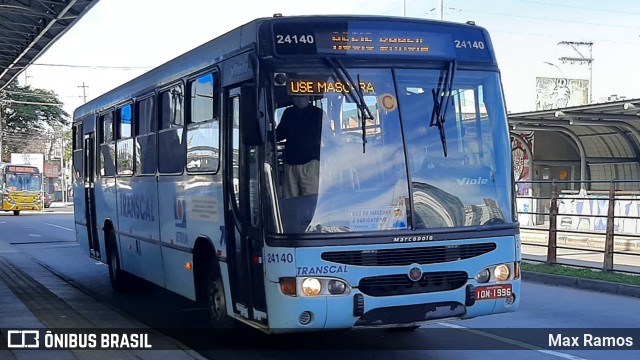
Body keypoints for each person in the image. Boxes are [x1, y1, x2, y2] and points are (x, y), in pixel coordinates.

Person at [276, 95, 325, 198]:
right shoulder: (288, 113)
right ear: (293, 99)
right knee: (289, 197)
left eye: (301, 96)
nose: (299, 99)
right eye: (296, 96)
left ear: (307, 97)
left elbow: (327, 134)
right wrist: (265, 135)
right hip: (290, 163)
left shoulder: (318, 114)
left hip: (310, 163)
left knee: (310, 196)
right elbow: (280, 133)